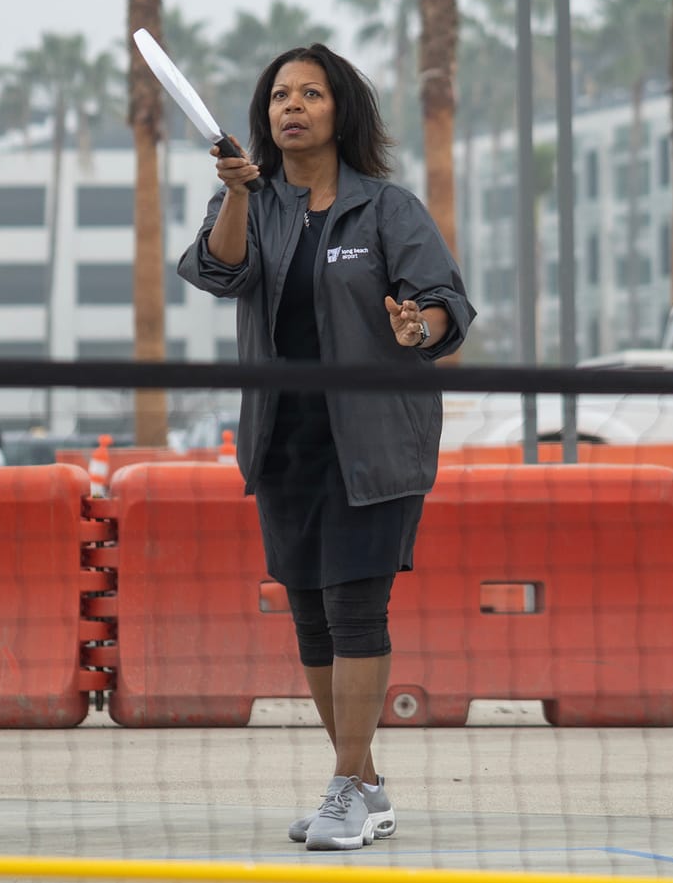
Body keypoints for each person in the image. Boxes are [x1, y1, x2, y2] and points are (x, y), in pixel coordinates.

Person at [178, 42, 474, 853]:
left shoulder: (387, 208)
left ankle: (346, 786)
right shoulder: (252, 200)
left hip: (374, 443)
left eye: (310, 92)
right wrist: (236, 195)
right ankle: (364, 783)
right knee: (310, 615)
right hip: (284, 441)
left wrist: (421, 325)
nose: (292, 105)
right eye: (280, 95)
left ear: (341, 109)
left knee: (354, 608)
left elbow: (446, 302)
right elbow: (218, 271)